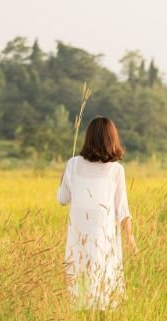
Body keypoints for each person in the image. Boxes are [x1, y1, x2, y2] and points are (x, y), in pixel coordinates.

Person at [57, 116, 137, 310]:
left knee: (77, 293)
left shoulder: (73, 164)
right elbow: (122, 210)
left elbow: (62, 199)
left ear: (88, 138)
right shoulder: (116, 170)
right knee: (104, 293)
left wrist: (65, 174)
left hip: (78, 240)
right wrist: (130, 239)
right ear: (112, 139)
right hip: (104, 242)